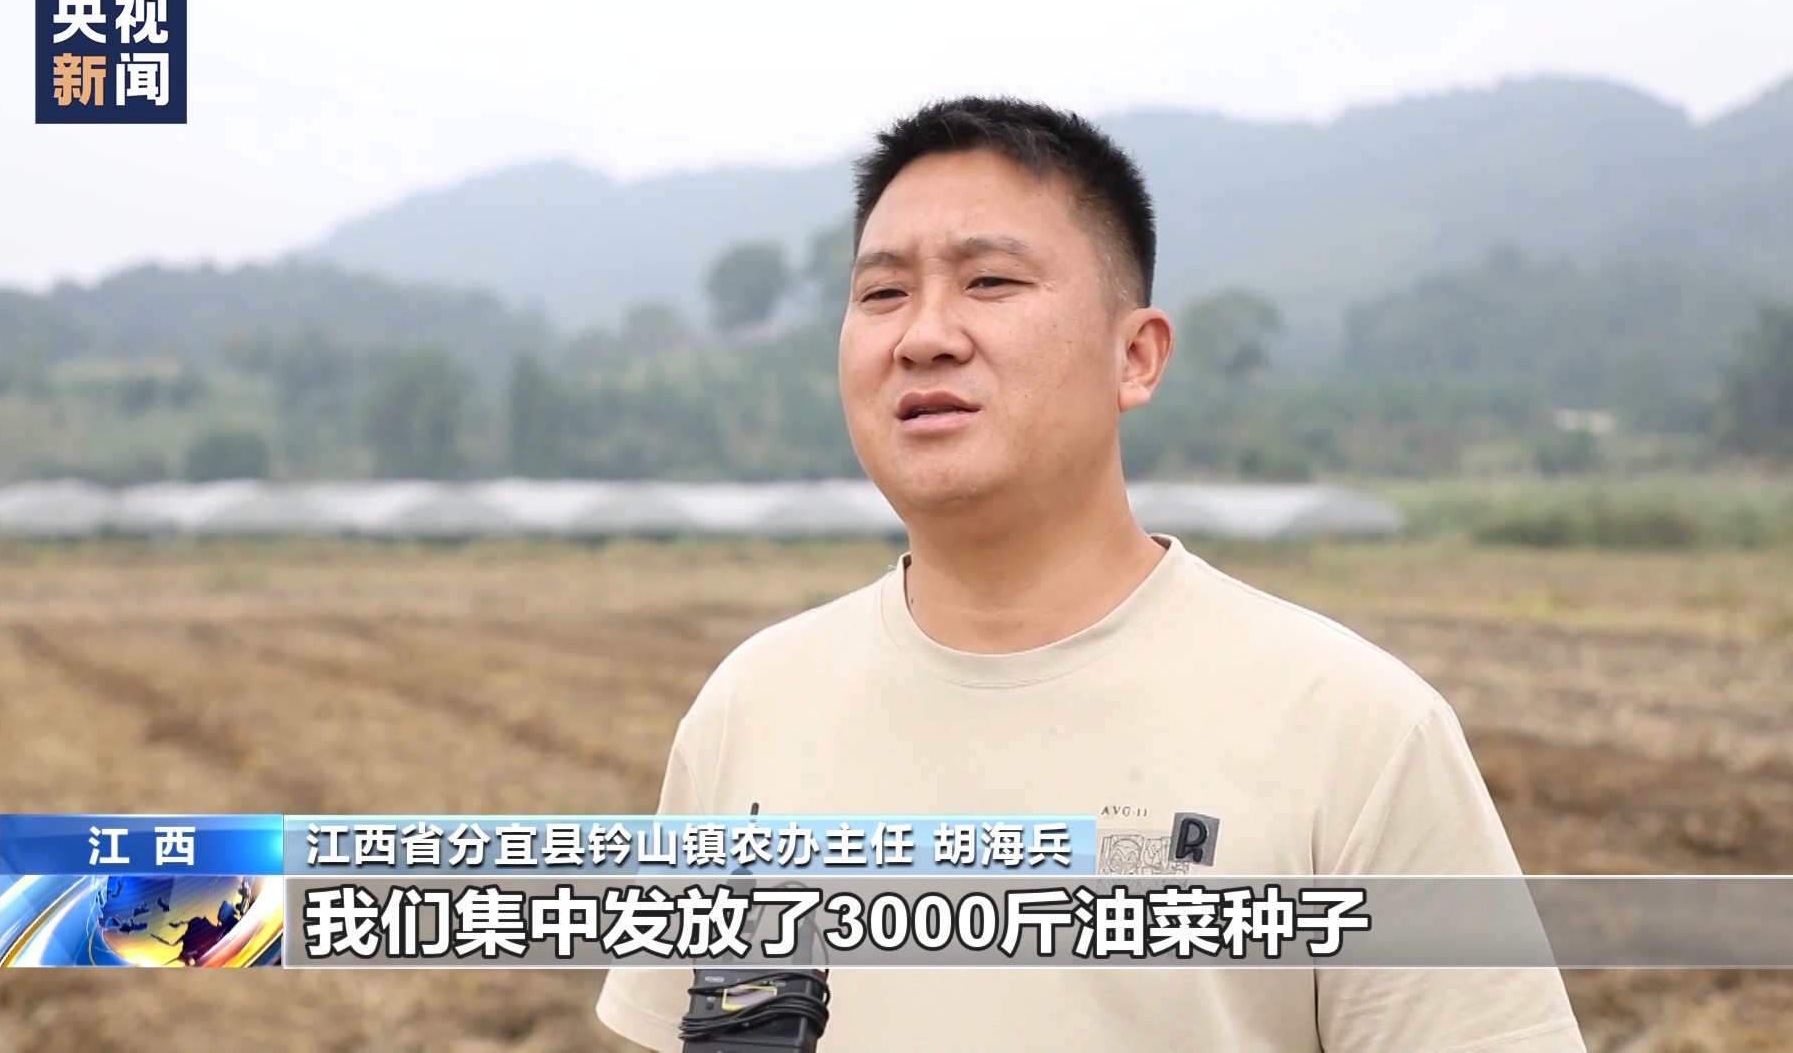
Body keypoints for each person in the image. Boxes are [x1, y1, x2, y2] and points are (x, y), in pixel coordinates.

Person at [595, 96, 1584, 1053]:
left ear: (1136, 356)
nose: (924, 334)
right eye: (883, 293)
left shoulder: (1355, 730)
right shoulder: (751, 707)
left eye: (990, 282)